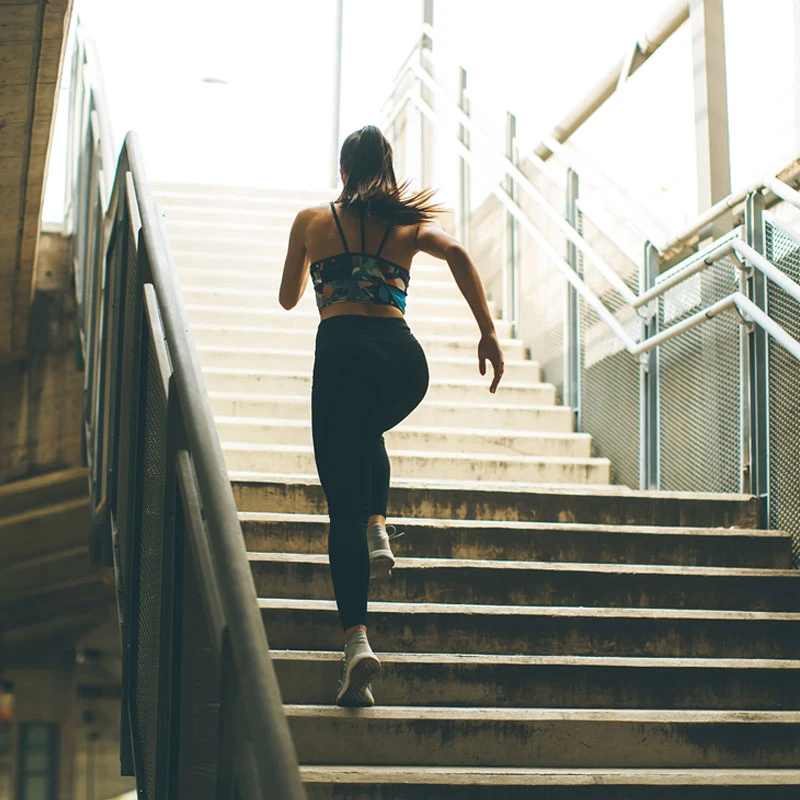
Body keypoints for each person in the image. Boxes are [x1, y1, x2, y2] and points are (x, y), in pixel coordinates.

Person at [279, 125, 504, 707]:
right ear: (388, 168)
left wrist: (325, 265)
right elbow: (456, 252)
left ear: (342, 170)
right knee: (367, 429)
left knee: (339, 507)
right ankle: (379, 525)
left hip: (342, 356)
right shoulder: (408, 226)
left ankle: (357, 642)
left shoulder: (310, 221)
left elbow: (287, 297)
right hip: (403, 362)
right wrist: (487, 331)